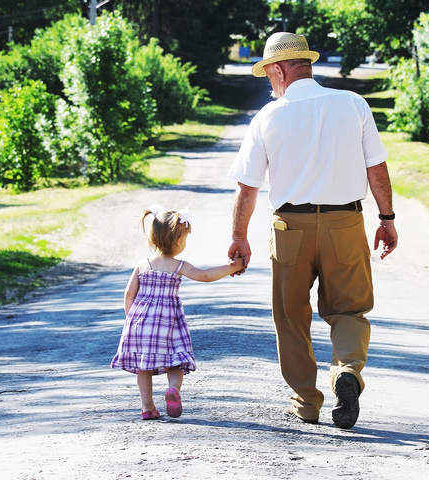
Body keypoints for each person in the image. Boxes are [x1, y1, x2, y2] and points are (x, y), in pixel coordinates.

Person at [228, 32, 398, 429]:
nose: (269, 82)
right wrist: (386, 219)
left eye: (268, 74)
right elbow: (377, 168)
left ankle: (306, 401)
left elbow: (247, 187)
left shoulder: (268, 117)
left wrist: (239, 236)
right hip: (346, 222)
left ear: (278, 69)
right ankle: (346, 372)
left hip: (290, 228)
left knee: (290, 316)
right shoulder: (353, 104)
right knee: (349, 310)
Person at [111, 204, 244, 420]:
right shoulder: (179, 265)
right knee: (175, 360)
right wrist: (233, 267)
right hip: (168, 323)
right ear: (179, 241)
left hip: (140, 323)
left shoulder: (142, 265)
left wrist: (130, 321)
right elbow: (205, 275)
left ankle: (147, 408)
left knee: (143, 368)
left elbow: (129, 294)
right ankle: (173, 388)